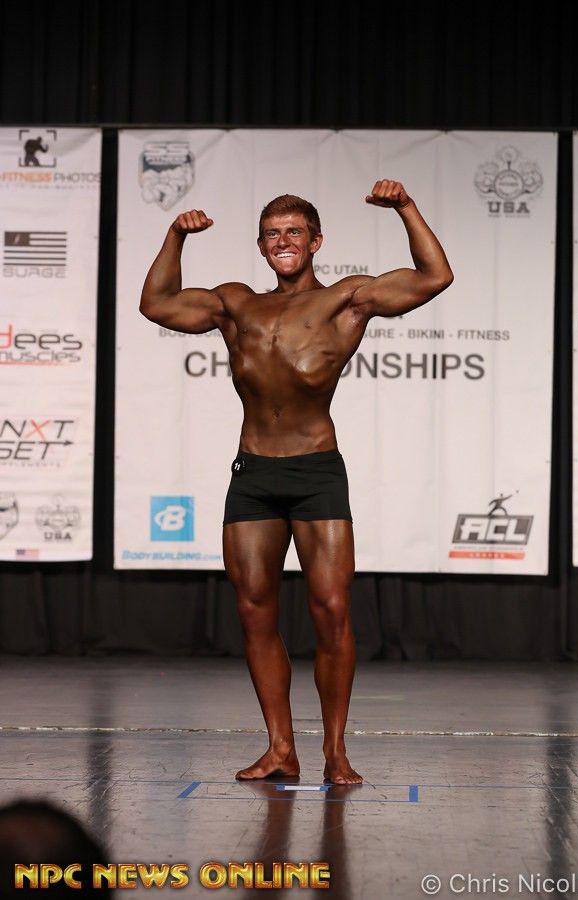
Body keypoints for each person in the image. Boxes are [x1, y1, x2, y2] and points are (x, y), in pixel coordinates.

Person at [140, 179, 453, 784]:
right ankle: (281, 748)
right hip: (253, 473)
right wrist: (175, 235)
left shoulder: (346, 301)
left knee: (331, 610)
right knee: (254, 611)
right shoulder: (236, 304)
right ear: (261, 246)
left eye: (294, 232)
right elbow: (156, 303)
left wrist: (406, 208)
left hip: (315, 471)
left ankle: (335, 751)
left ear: (315, 242)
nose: (283, 241)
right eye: (272, 234)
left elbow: (435, 276)